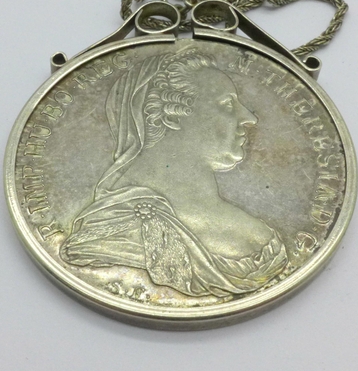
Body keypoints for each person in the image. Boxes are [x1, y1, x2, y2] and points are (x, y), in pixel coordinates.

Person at [60, 47, 288, 297]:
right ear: (171, 116)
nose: (249, 118)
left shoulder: (257, 234)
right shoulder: (111, 231)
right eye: (227, 104)